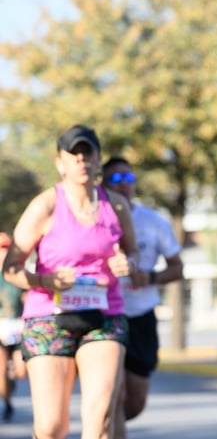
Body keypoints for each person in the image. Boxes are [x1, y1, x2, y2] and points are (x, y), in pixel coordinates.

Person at [1, 124, 139, 439]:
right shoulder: (45, 205)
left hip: (104, 315)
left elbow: (133, 252)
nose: (81, 160)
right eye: (73, 155)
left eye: (87, 153)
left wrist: (126, 262)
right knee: (51, 427)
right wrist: (45, 281)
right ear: (60, 163)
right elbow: (11, 268)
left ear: (98, 159)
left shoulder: (116, 205)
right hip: (49, 315)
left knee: (100, 419)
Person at [102, 157, 184, 439]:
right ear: (102, 183)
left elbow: (177, 267)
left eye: (128, 178)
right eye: (115, 179)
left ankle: (103, 424)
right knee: (114, 392)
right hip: (106, 316)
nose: (123, 184)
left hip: (142, 317)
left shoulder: (154, 221)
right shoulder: (95, 218)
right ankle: (103, 425)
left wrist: (150, 278)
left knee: (134, 402)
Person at [0, 232, 26, 422]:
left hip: (18, 329)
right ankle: (7, 403)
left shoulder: (17, 273)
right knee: (1, 375)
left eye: (5, 250)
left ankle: (12, 376)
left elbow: (28, 297)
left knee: (21, 370)